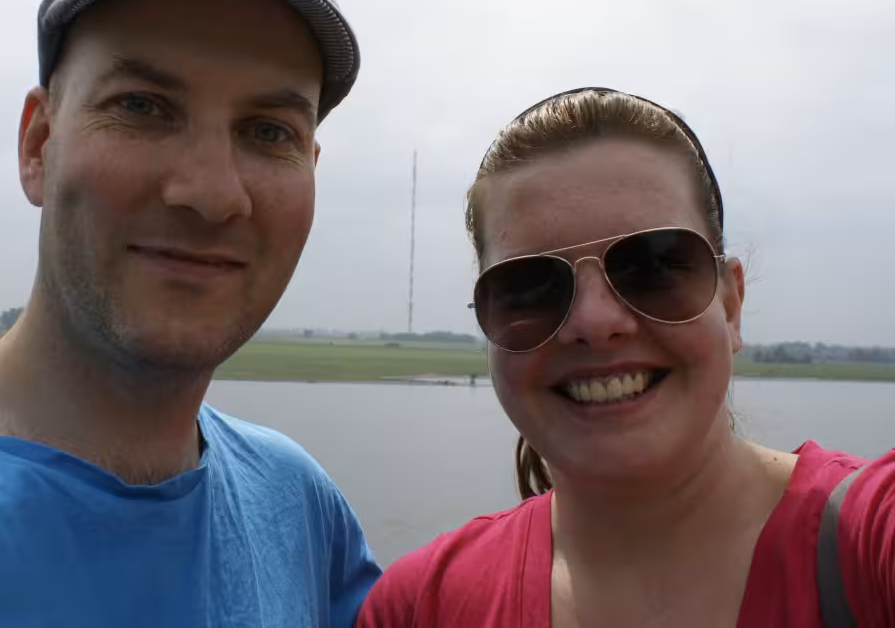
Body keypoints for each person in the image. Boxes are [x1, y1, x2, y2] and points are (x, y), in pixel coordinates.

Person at [0, 0, 381, 626]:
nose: (212, 194)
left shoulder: (298, 505)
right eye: (142, 106)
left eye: (268, 132)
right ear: (38, 146)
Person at [357, 87, 895, 627]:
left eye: (654, 267)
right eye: (530, 287)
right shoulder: (420, 608)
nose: (595, 322)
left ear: (730, 305)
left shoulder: (871, 540)